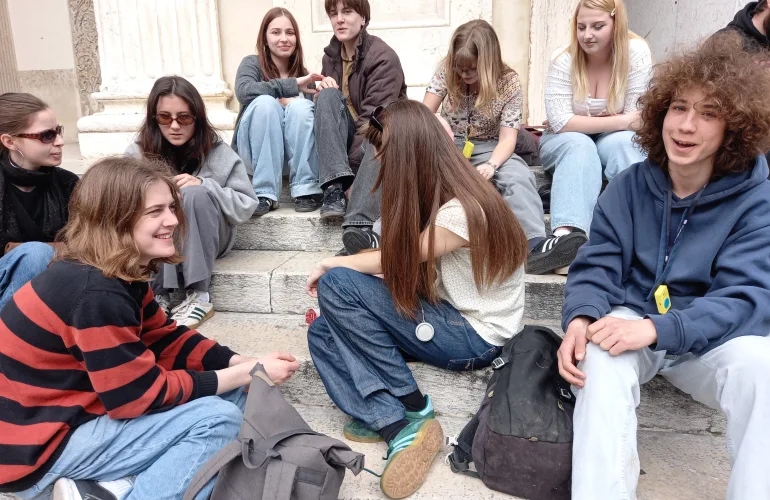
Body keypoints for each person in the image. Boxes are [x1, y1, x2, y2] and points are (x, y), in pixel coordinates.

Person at [0, 156, 300, 500]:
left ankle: (111, 488)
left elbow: (163, 338)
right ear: (115, 219)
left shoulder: (112, 271)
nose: (172, 220)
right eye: (155, 212)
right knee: (217, 419)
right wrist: (249, 372)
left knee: (233, 394)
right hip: (34, 453)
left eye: (171, 207)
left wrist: (236, 362)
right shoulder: (94, 292)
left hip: (65, 419)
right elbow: (137, 397)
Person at [556, 36, 770, 499]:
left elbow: (747, 298)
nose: (687, 126)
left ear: (734, 129)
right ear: (660, 114)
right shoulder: (629, 186)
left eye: (708, 113)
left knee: (763, 368)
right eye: (679, 108)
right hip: (637, 317)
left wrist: (659, 328)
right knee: (599, 358)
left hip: (712, 338)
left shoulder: (755, 199)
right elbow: (597, 263)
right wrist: (581, 316)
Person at [305, 100, 528, 498]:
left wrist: (330, 263)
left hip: (475, 335)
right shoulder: (444, 196)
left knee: (336, 283)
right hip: (449, 316)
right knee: (323, 332)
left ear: (410, 155)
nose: (379, 164)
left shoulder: (462, 208)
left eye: (385, 156)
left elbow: (400, 259)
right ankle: (394, 425)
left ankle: (413, 407)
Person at [127, 76, 258, 328]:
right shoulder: (138, 153)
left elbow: (246, 205)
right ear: (154, 118)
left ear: (196, 117)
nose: (175, 126)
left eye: (184, 118)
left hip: (209, 237)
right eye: (165, 118)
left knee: (194, 194)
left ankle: (199, 295)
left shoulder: (218, 151)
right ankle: (158, 296)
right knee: (158, 204)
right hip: (159, 239)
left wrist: (205, 185)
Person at [540, 0, 652, 273]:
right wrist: (621, 119)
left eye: (597, 26)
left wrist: (581, 122)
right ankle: (567, 241)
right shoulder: (564, 59)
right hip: (566, 141)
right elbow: (560, 122)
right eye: (581, 27)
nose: (587, 35)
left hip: (613, 137)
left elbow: (638, 120)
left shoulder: (636, 52)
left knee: (626, 145)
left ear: (616, 23)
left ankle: (645, 235)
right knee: (580, 146)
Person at [313, 0, 407, 219]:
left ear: (363, 18)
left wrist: (356, 177)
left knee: (374, 123)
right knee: (326, 96)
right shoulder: (330, 58)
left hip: (381, 142)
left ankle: (344, 187)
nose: (339, 19)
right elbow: (335, 112)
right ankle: (333, 189)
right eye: (333, 13)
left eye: (347, 12)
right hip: (350, 145)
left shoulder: (383, 58)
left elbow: (373, 121)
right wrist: (321, 98)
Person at [232, 7, 324, 215]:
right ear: (265, 38)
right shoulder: (252, 64)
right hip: (256, 154)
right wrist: (289, 88)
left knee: (301, 107)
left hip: (293, 159)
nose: (284, 39)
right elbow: (244, 92)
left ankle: (305, 190)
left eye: (290, 33)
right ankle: (263, 193)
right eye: (276, 32)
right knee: (266, 104)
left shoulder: (305, 75)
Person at [0, 92, 77, 309]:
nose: (60, 142)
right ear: (10, 141)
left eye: (58, 131)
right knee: (35, 255)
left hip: (57, 285)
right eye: (47, 135)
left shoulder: (68, 183)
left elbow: (90, 243)